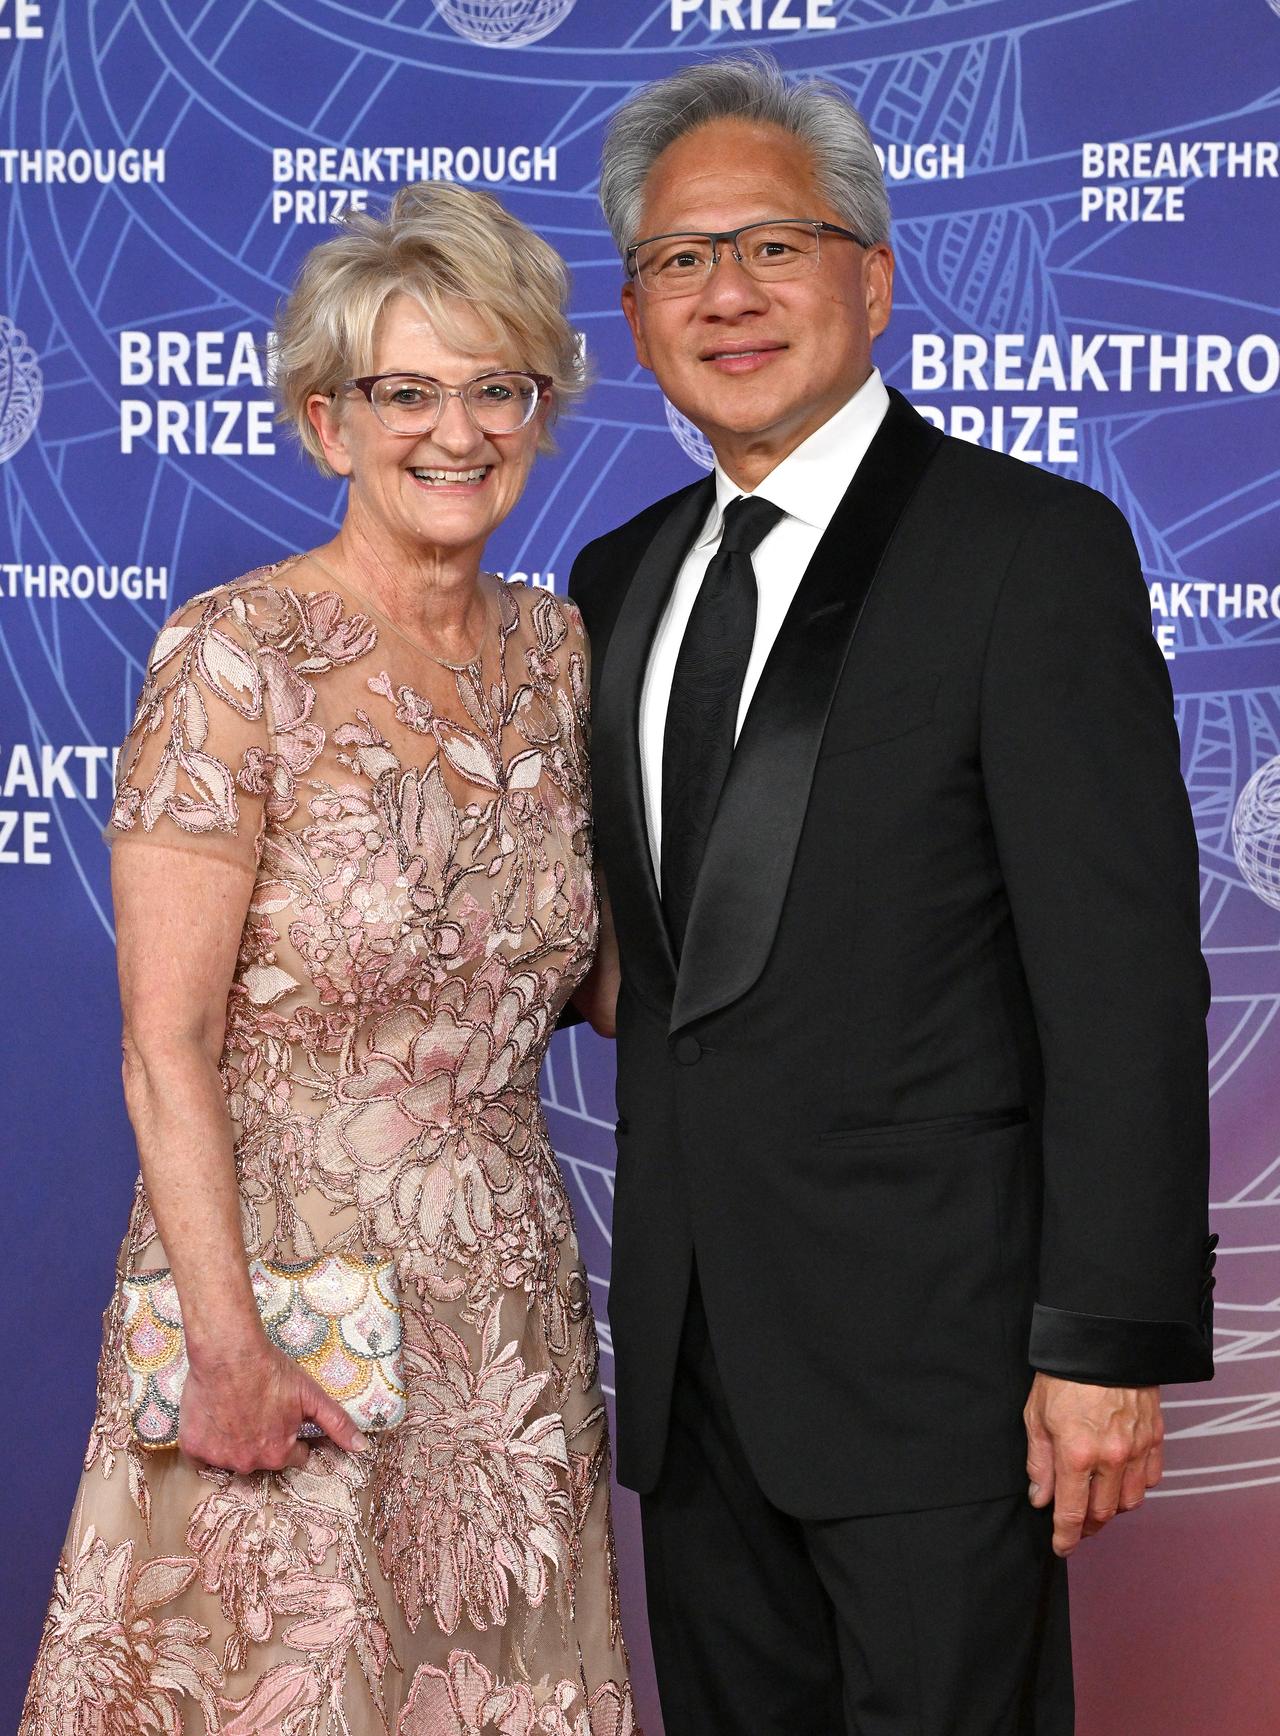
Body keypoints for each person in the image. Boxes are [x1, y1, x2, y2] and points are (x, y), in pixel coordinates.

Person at [569, 53, 1215, 1736]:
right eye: (682, 261)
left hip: (948, 1373)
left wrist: (1106, 1340)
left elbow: (1125, 979)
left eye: (775, 248)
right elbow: (665, 961)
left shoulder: (1030, 553)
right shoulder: (615, 579)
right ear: (635, 312)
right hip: (695, 1366)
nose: (729, 296)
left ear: (873, 273)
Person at [22, 182, 636, 1736]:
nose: (456, 430)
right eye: (405, 392)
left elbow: (611, 980)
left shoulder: (566, 656)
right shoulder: (233, 654)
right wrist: (226, 1346)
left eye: (497, 388)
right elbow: (163, 1046)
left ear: (541, 411)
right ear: (324, 423)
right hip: (284, 1299)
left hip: (503, 1314)